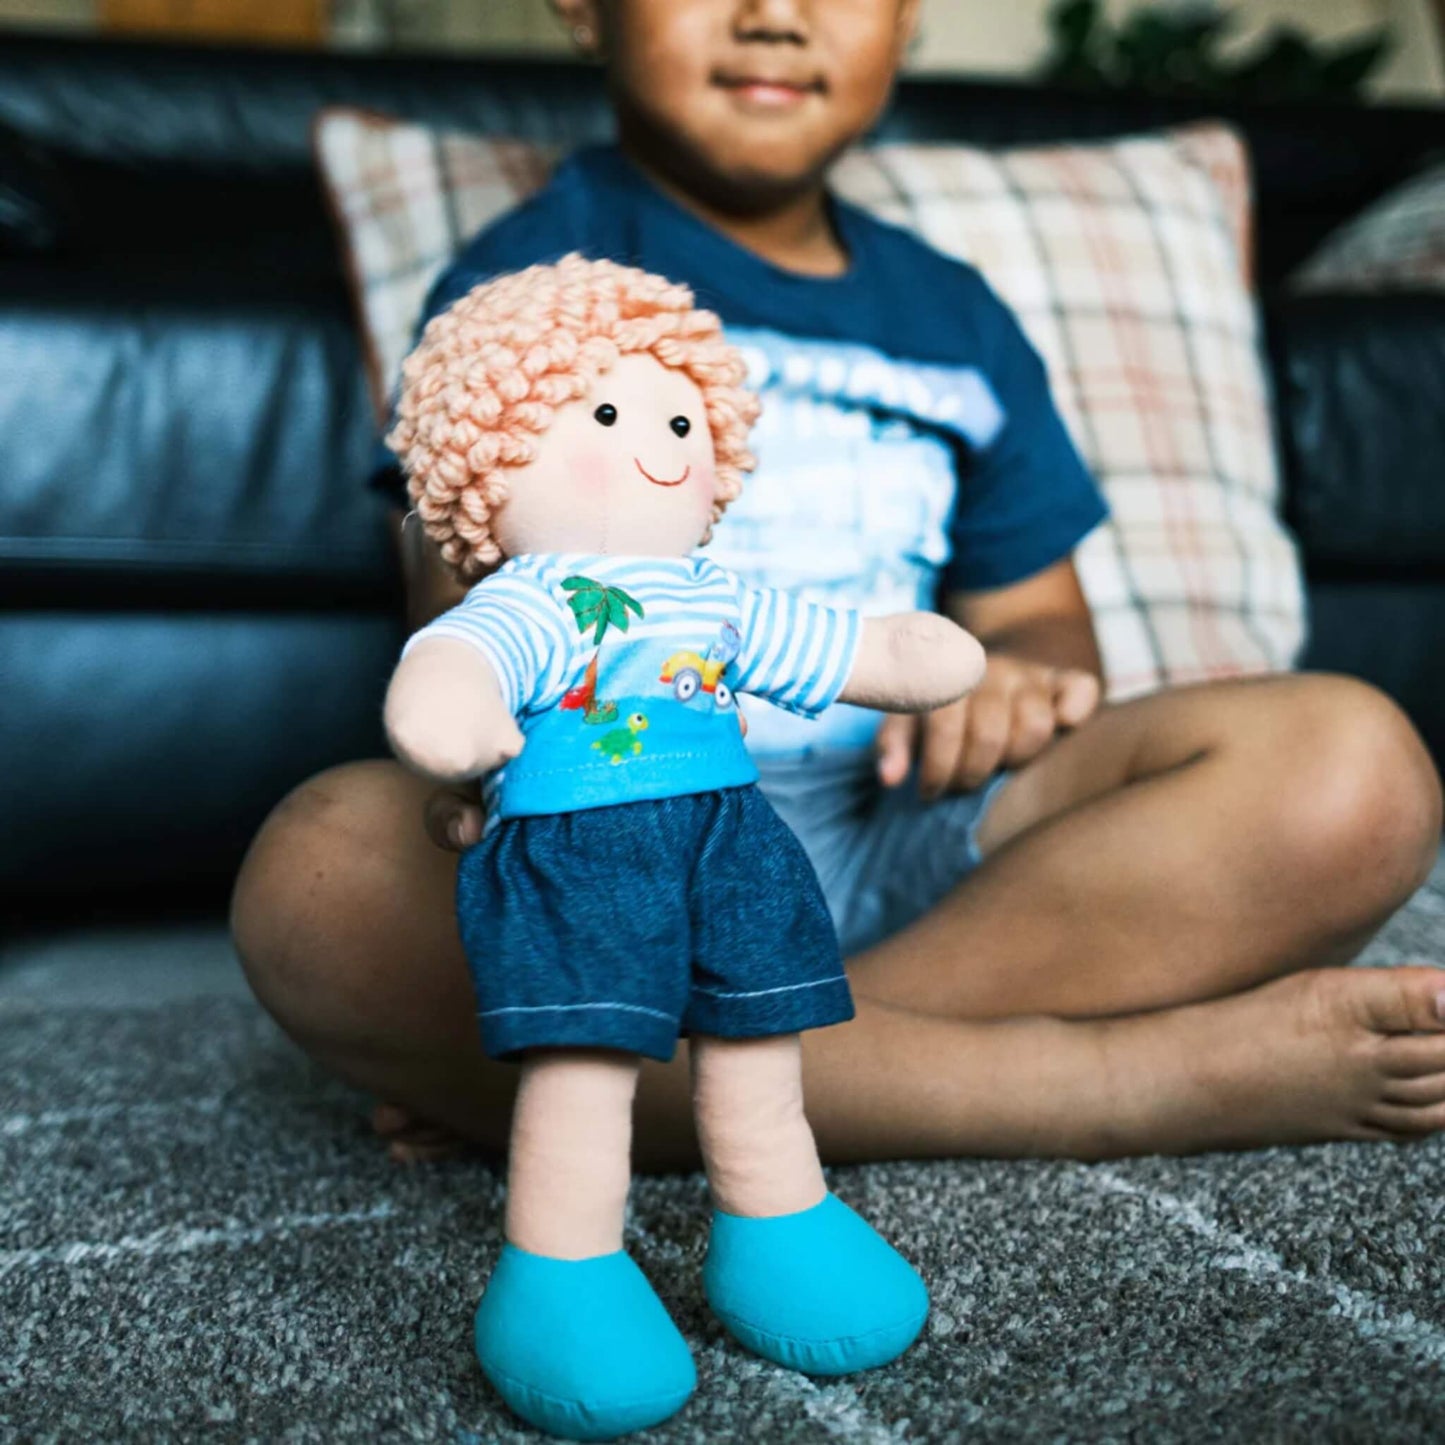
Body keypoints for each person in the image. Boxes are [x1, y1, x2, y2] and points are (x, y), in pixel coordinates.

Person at [231, 0, 1445, 1170]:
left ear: (908, 13)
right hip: (618, 837)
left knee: (1354, 768)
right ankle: (1111, 1083)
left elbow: (1039, 622)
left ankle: (634, 1070)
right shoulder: (528, 292)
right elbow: (462, 621)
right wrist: (480, 765)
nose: (776, 12)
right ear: (582, 6)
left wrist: (1023, 684)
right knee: (314, 876)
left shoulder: (952, 315)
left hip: (905, 838)